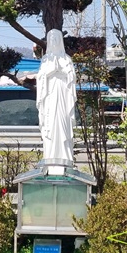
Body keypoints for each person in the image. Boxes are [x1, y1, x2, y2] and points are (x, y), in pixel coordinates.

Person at [36, 29, 76, 165]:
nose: (53, 40)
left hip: (63, 96)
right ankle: (50, 155)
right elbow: (40, 78)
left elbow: (72, 77)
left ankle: (65, 156)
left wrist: (63, 72)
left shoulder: (67, 59)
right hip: (50, 97)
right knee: (50, 125)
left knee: (63, 123)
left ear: (60, 40)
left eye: (56, 38)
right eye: (51, 38)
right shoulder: (46, 60)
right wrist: (51, 72)